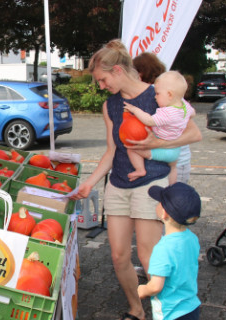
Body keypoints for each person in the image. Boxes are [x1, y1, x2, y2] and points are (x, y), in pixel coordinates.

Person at [70, 39, 201, 320]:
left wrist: (155, 144)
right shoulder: (110, 107)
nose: (101, 86)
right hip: (118, 184)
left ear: (117, 70)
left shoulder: (160, 95)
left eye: (103, 80)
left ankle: (165, 312)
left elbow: (194, 134)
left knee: (148, 257)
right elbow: (111, 150)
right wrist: (90, 183)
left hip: (150, 183)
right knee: (118, 256)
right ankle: (137, 309)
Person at [139, 183, 201, 320]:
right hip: (191, 307)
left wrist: (142, 290)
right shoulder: (192, 238)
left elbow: (155, 286)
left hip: (171, 313)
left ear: (164, 213)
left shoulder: (163, 248)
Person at [123, 71, 196, 184]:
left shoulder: (167, 113)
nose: (155, 97)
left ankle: (140, 170)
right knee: (172, 168)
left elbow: (149, 120)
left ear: (169, 95)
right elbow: (193, 113)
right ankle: (171, 188)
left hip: (164, 149)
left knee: (132, 149)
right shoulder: (184, 107)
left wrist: (135, 110)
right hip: (175, 149)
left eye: (157, 93)